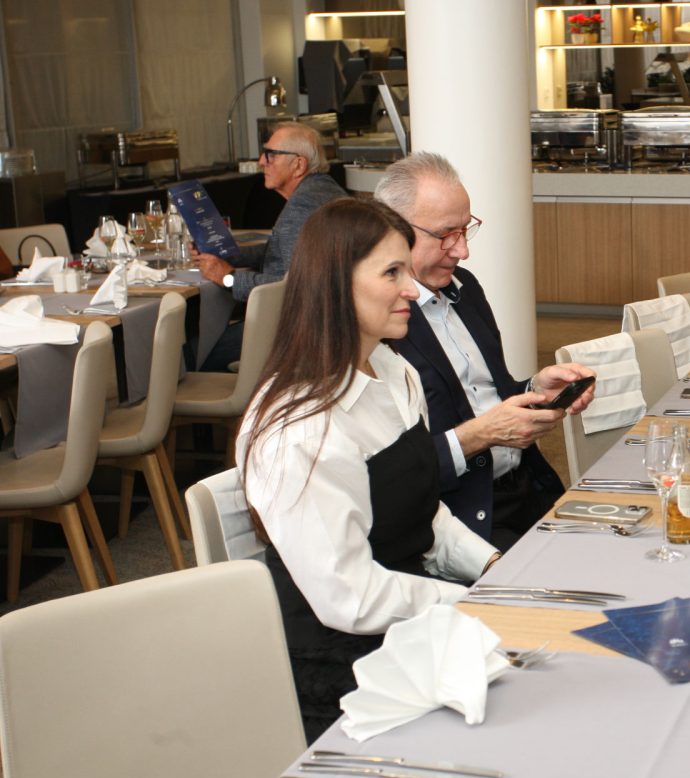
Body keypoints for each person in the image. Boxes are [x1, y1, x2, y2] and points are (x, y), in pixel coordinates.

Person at [237, 197, 500, 742]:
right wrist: (468, 604)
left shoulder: (392, 369)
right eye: (392, 273)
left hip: (407, 623)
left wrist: (492, 567)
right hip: (343, 668)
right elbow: (350, 598)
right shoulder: (301, 429)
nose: (413, 289)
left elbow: (423, 512)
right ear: (336, 284)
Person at [374, 153, 595, 552]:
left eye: (465, 230)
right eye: (445, 235)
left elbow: (486, 396)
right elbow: (388, 474)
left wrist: (534, 389)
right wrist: (480, 435)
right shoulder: (381, 321)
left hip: (527, 489)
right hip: (461, 516)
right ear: (394, 232)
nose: (462, 251)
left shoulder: (465, 289)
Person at [195, 121, 346, 371]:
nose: (261, 162)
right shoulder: (323, 190)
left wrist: (228, 278)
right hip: (328, 322)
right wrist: (229, 255)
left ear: (298, 165)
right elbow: (279, 250)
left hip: (298, 331)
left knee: (194, 353)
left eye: (270, 155)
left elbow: (291, 287)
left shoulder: (301, 208)